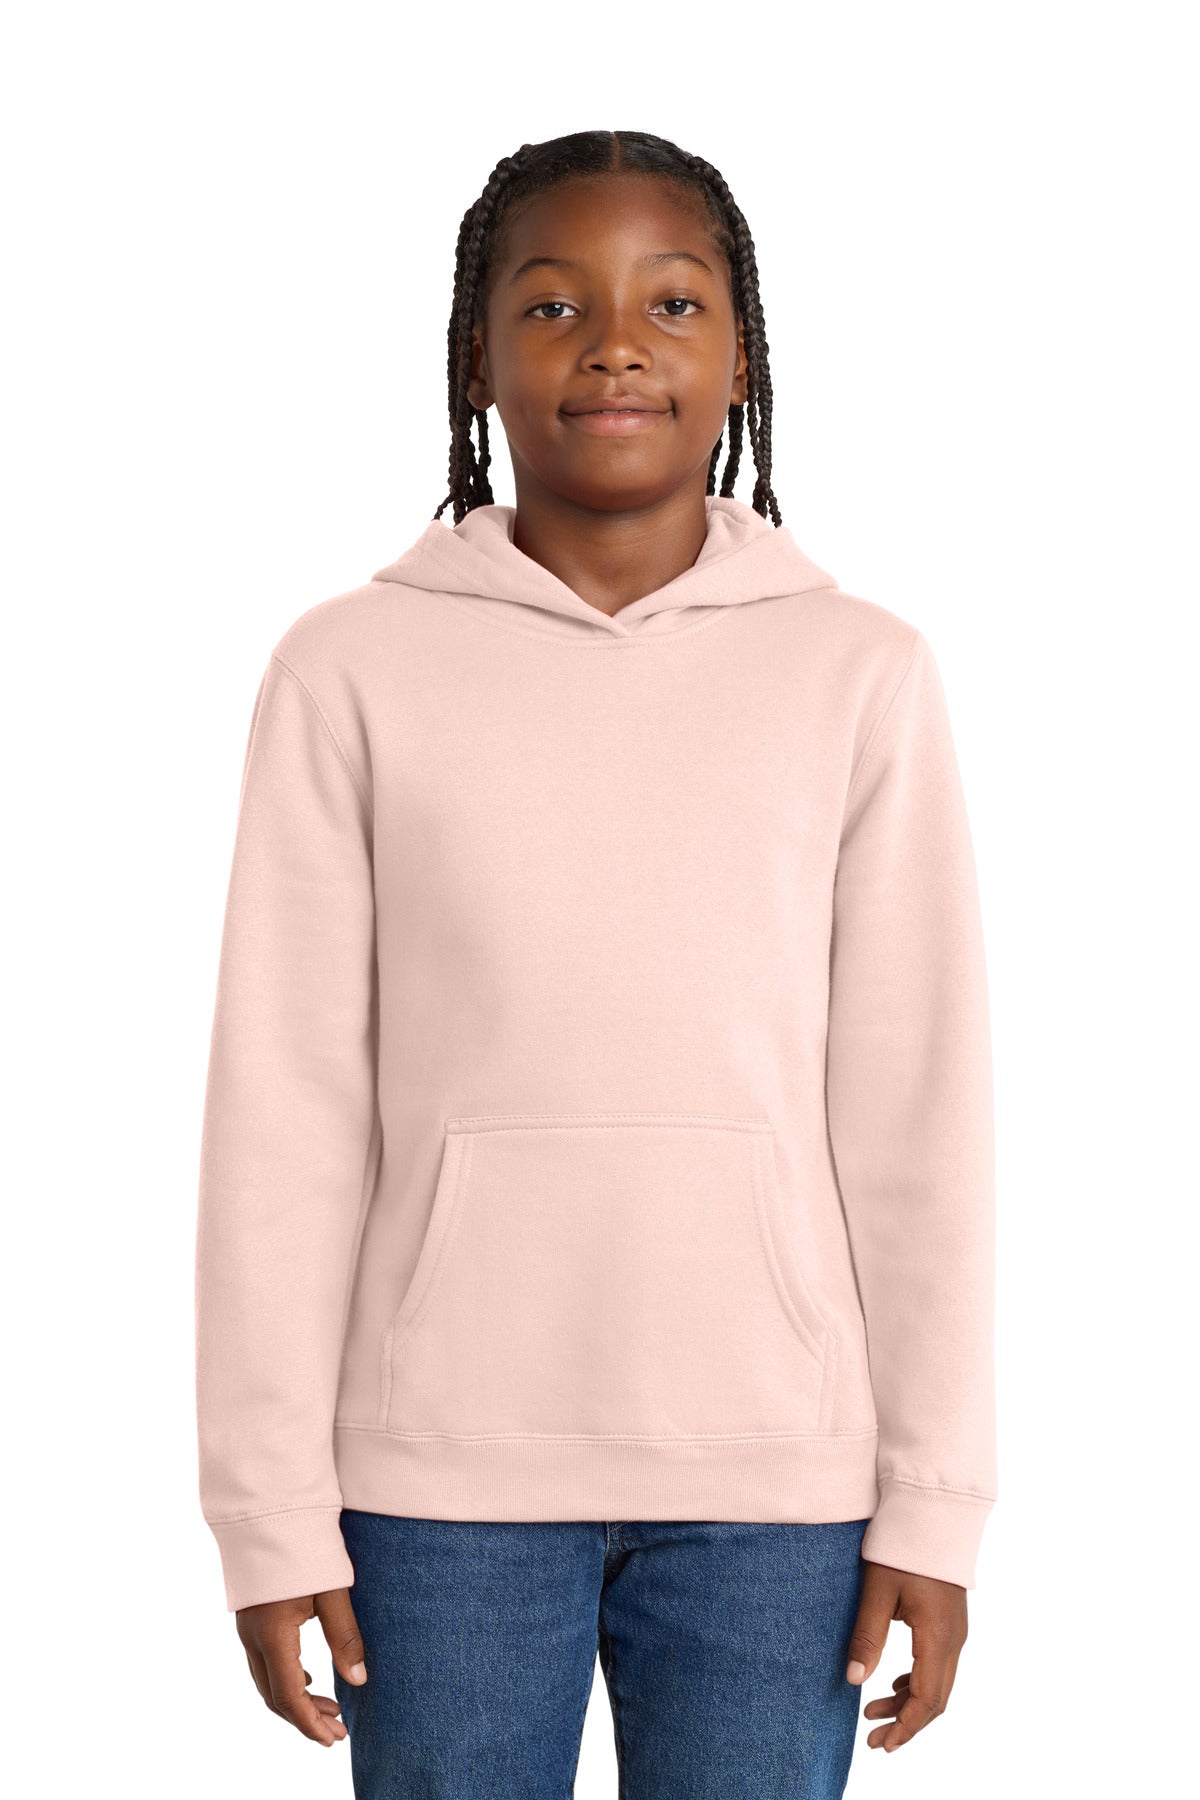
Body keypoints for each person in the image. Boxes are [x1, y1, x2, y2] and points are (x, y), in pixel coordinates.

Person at [194, 128, 998, 1799]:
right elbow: (285, 1117)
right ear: (475, 358)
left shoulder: (859, 673)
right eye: (554, 304)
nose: (616, 344)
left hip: (780, 1490)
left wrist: (935, 1499)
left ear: (742, 356)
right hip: (433, 1488)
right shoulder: (350, 670)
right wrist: (268, 1509)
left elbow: (918, 1116)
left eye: (673, 303)